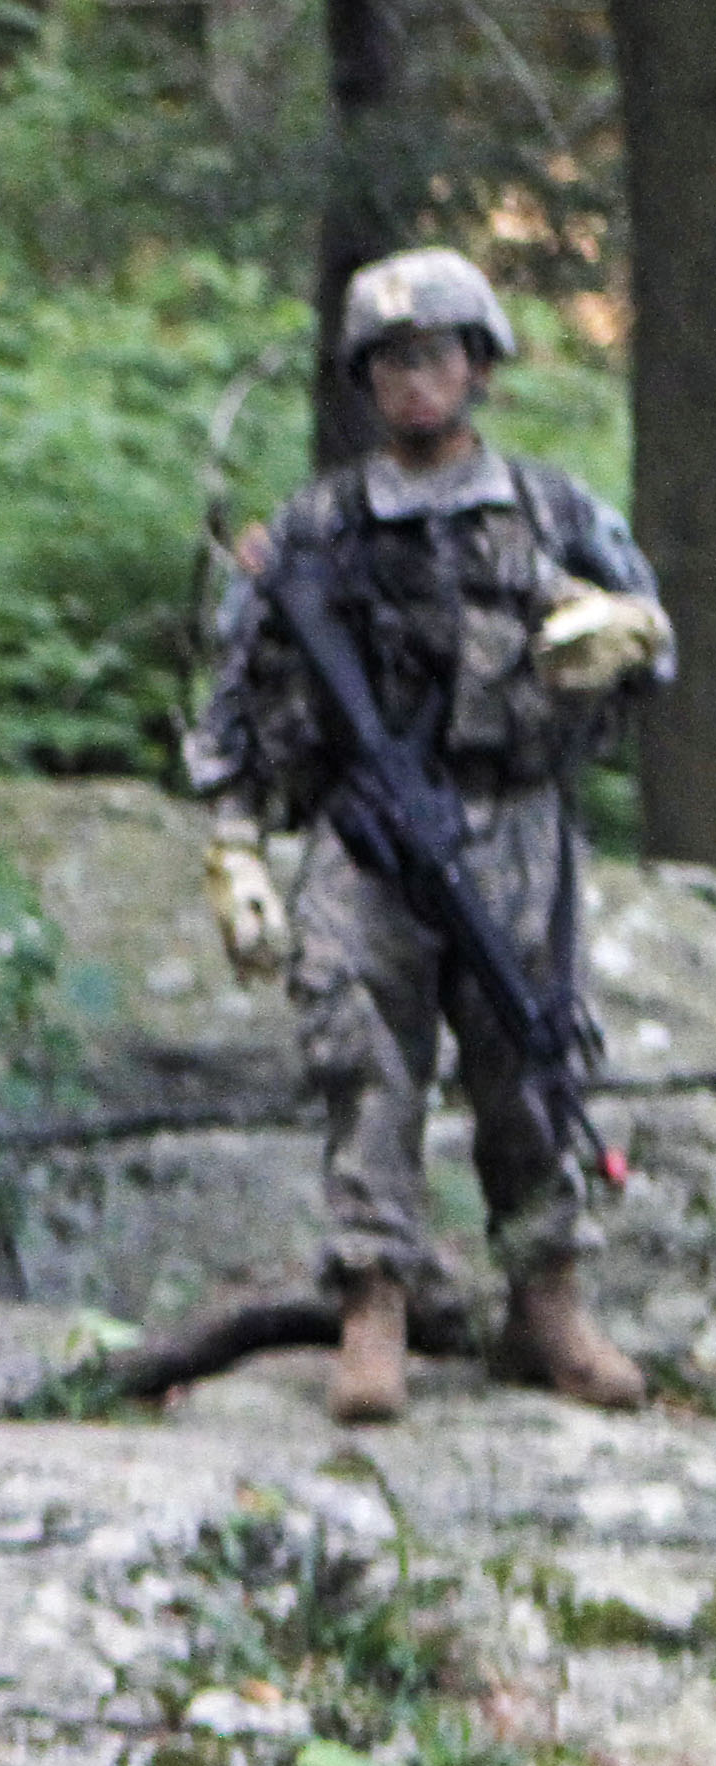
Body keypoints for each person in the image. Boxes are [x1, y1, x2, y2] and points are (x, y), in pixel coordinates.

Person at [187, 244, 675, 1425]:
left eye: (438, 355)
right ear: (365, 380)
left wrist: (621, 636)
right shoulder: (314, 529)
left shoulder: (551, 511)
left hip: (509, 824)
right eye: (392, 361)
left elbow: (650, 645)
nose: (416, 381)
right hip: (363, 841)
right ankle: (374, 1303)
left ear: (477, 367)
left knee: (529, 1053)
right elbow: (235, 690)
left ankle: (544, 1297)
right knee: (361, 1061)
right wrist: (234, 843)